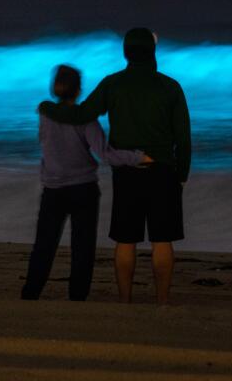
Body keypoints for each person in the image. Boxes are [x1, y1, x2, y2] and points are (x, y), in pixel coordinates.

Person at [38, 28, 191, 304]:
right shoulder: (171, 86)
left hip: (127, 172)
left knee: (126, 238)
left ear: (126, 52)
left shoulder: (113, 84)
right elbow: (183, 136)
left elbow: (83, 113)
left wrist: (49, 108)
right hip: (163, 169)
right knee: (162, 239)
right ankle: (163, 301)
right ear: (152, 52)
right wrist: (181, 173)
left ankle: (125, 300)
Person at [22, 65, 149, 302]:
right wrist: (139, 157)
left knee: (44, 245)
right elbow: (106, 154)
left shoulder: (45, 114)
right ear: (79, 90)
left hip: (53, 188)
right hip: (83, 188)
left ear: (56, 87)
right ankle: (77, 297)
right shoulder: (85, 119)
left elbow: (46, 146)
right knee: (83, 247)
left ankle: (31, 293)